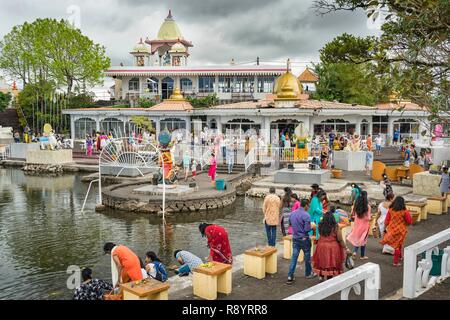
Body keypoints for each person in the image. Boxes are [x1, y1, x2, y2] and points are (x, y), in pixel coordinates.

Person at [286, 198, 316, 284]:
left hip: (295, 237)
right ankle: (308, 273)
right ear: (306, 205)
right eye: (309, 206)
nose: (309, 207)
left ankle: (290, 275)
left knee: (294, 257)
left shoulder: (292, 213)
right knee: (307, 257)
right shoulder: (306, 215)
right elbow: (307, 229)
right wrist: (312, 226)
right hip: (304, 238)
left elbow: (290, 224)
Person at [312, 212, 349, 281]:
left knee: (322, 262)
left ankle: (321, 276)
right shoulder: (335, 226)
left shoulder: (320, 225)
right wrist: (346, 248)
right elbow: (340, 239)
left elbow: (319, 234)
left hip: (321, 246)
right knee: (331, 264)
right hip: (332, 247)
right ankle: (329, 279)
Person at [380, 196, 413, 266]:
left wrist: (385, 229)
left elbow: (386, 221)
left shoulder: (391, 210)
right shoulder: (405, 211)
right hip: (401, 230)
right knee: (398, 245)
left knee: (398, 244)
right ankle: (395, 262)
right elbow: (409, 221)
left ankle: (400, 256)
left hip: (392, 229)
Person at [347, 191, 371, 260]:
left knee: (358, 239)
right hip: (364, 225)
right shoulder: (367, 207)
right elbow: (368, 218)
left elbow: (352, 214)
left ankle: (355, 252)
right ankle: (362, 256)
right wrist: (370, 217)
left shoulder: (356, 205)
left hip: (357, 224)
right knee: (363, 240)